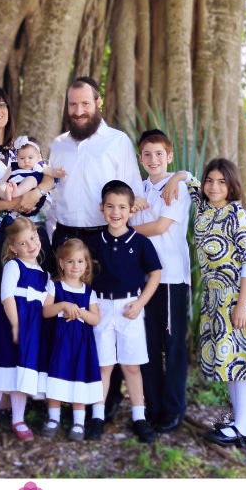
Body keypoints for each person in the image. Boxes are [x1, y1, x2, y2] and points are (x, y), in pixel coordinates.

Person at [47, 76, 146, 420]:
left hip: (102, 238)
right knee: (67, 316)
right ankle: (62, 393)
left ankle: (106, 398)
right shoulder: (58, 144)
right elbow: (51, 195)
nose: (78, 111)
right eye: (73, 105)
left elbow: (131, 194)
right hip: (64, 237)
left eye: (84, 104)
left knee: (103, 317)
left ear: (97, 103)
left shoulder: (117, 142)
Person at [188, 158, 246, 448]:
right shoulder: (203, 209)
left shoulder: (236, 213)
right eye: (209, 180)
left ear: (231, 185)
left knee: (241, 363)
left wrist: (242, 304)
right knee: (229, 363)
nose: (213, 186)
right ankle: (238, 423)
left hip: (236, 297)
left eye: (221, 182)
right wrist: (178, 179)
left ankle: (242, 428)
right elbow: (187, 179)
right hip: (213, 299)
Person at [85, 180, 162, 443]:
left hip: (130, 308)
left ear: (132, 211)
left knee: (131, 367)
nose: (115, 212)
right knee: (103, 366)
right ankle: (97, 416)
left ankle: (139, 418)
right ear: (101, 208)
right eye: (110, 206)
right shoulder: (94, 243)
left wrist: (141, 302)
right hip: (101, 308)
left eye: (121, 207)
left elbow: (155, 273)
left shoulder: (140, 242)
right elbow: (83, 275)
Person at [0, 86, 54, 313]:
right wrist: (10, 203)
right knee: (0, 303)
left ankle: (33, 349)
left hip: (32, 234)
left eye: (2, 104)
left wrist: (36, 192)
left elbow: (50, 179)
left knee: (36, 302)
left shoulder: (23, 149)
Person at [129, 129, 192, 434]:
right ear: (140, 159)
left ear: (169, 156)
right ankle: (152, 406)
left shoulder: (176, 187)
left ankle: (174, 408)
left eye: (159, 154)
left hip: (170, 278)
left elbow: (159, 226)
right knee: (148, 345)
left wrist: (123, 229)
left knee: (173, 345)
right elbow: (123, 214)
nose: (153, 159)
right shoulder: (138, 190)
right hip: (141, 278)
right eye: (147, 154)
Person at [0, 217, 50, 443]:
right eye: (23, 243)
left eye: (33, 238)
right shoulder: (13, 266)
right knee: (1, 372)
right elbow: (6, 295)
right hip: (9, 325)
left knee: (22, 372)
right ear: (13, 248)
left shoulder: (43, 274)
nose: (31, 245)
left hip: (31, 330)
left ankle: (18, 419)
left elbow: (47, 305)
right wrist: (16, 325)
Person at [41, 238, 102, 442]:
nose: (75, 266)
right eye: (70, 262)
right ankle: (53, 418)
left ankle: (78, 422)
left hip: (81, 344)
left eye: (80, 261)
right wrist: (64, 305)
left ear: (86, 264)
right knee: (56, 375)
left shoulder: (88, 292)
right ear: (61, 263)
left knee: (79, 378)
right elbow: (46, 311)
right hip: (60, 341)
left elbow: (95, 319)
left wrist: (80, 313)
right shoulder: (55, 286)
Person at [0, 135, 66, 202]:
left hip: (28, 191)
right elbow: (3, 180)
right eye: (22, 158)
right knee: (1, 185)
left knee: (31, 179)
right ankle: (7, 196)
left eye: (30, 158)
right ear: (17, 158)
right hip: (11, 187)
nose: (26, 161)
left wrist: (59, 172)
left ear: (38, 157)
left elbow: (51, 171)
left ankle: (17, 192)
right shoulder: (13, 167)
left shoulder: (39, 166)